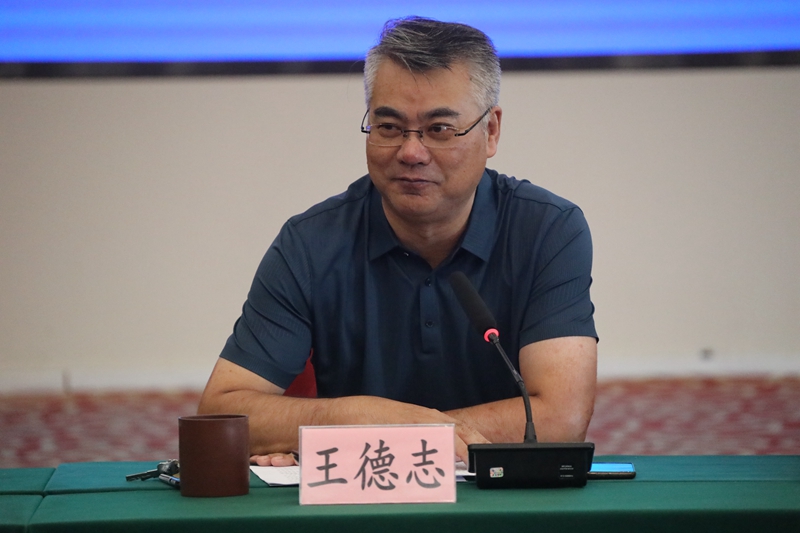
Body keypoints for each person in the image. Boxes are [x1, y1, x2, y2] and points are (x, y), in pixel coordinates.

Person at [198, 16, 598, 466]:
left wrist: (383, 433)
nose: (411, 152)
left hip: (500, 492)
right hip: (363, 492)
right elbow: (219, 416)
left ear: (491, 131)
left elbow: (560, 418)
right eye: (389, 127)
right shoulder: (310, 244)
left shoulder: (547, 230)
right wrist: (357, 418)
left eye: (439, 128)